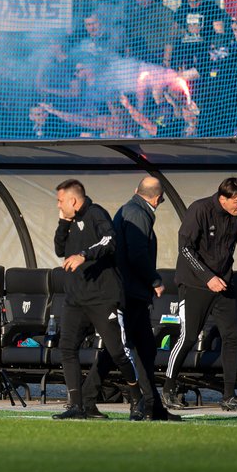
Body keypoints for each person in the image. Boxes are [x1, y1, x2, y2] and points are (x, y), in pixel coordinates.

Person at [79, 177, 177, 420]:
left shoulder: (130, 209)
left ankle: (153, 407)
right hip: (130, 293)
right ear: (158, 198)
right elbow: (137, 253)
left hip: (131, 293)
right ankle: (87, 400)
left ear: (136, 191)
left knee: (143, 349)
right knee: (119, 350)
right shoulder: (138, 214)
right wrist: (154, 280)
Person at [51, 179, 144, 420]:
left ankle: (137, 400)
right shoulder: (68, 220)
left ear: (72, 199)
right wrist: (63, 223)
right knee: (67, 348)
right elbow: (60, 250)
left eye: (60, 201)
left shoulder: (96, 213)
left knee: (117, 352)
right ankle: (78, 406)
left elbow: (109, 241)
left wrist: (84, 254)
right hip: (76, 298)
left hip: (102, 297)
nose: (58, 205)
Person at [162, 177, 237, 412]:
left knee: (232, 337)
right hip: (195, 283)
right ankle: (168, 390)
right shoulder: (199, 209)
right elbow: (185, 248)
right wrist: (208, 277)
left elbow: (228, 248)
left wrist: (223, 276)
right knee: (189, 336)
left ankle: (229, 396)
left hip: (223, 284)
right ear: (223, 198)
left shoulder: (235, 215)